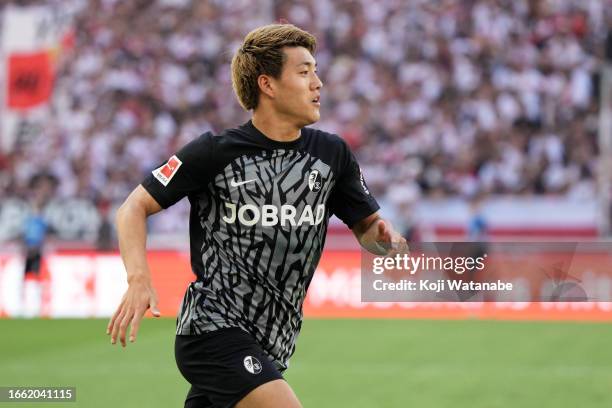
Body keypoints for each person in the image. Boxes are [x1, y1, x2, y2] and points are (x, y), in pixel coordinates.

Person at [106, 23, 406, 408]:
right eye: (304, 72)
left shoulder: (332, 155)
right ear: (268, 85)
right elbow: (133, 207)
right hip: (211, 331)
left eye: (316, 71)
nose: (318, 83)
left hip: (271, 345)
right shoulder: (214, 153)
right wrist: (138, 279)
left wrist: (386, 242)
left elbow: (370, 231)